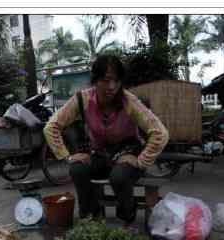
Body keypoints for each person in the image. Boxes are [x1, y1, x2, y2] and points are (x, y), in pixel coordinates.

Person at [43, 55, 169, 227]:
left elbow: (160, 133)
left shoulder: (129, 101)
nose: (112, 87)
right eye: (106, 80)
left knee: (118, 177)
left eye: (116, 81)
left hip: (128, 151)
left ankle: (127, 215)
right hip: (100, 153)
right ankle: (91, 219)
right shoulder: (82, 99)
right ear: (95, 79)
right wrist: (68, 157)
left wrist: (140, 161)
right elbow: (51, 127)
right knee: (78, 170)